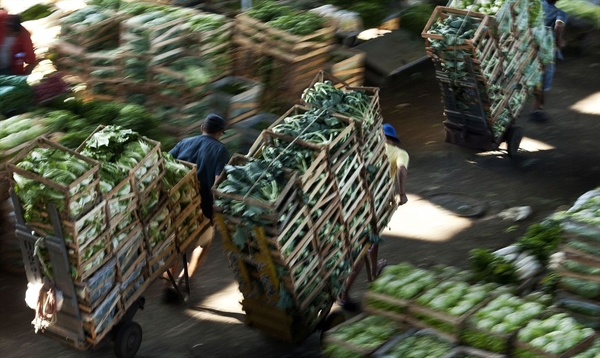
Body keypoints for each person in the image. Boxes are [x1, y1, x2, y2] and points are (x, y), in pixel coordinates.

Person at [338, 123, 409, 311]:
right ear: (392, 140)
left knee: (373, 238)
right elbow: (401, 170)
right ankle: (343, 294)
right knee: (362, 249)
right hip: (371, 207)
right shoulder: (400, 153)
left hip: (351, 202)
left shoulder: (366, 148)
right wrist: (402, 193)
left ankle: (374, 270)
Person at [163, 114, 230, 301]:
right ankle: (185, 278)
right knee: (205, 243)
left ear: (202, 127)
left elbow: (164, 164)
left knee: (175, 246)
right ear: (220, 133)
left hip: (176, 205)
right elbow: (218, 182)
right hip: (203, 207)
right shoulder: (221, 150)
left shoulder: (184, 142)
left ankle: (168, 283)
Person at [530, 0, 567, 122]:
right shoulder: (560, 12)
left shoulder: (536, 3)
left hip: (528, 44)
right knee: (543, 76)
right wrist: (559, 41)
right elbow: (559, 25)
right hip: (545, 49)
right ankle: (538, 108)